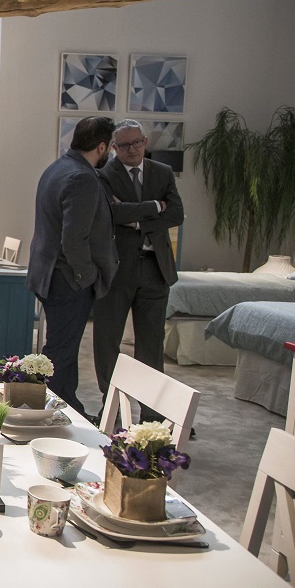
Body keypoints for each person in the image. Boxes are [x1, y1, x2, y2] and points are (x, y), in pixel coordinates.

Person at [92, 119, 184, 421]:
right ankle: (112, 410)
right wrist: (155, 207)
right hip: (117, 269)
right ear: (113, 148)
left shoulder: (162, 172)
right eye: (124, 145)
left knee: (151, 345)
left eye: (137, 143)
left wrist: (135, 220)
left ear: (145, 142)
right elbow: (111, 213)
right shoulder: (104, 175)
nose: (132, 149)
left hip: (155, 269)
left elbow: (177, 213)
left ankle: (151, 416)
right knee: (107, 341)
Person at [27, 116, 119, 416]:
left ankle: (70, 410)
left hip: (50, 274)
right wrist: (86, 276)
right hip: (67, 279)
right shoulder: (82, 177)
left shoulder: (57, 167)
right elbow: (74, 239)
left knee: (63, 354)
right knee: (58, 355)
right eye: (110, 147)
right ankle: (38, 413)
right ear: (102, 147)